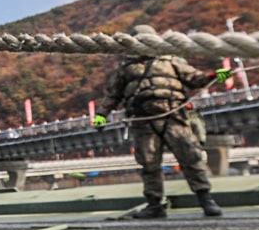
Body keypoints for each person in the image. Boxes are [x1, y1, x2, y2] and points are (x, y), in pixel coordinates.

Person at [94, 26, 230, 219]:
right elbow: (112, 95)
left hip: (173, 116)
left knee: (190, 157)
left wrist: (214, 76)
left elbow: (194, 78)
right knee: (149, 163)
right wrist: (101, 114)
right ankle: (155, 204)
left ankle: (206, 199)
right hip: (143, 120)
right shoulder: (125, 68)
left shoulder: (170, 60)